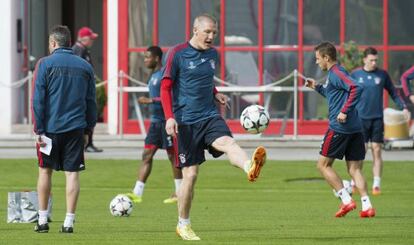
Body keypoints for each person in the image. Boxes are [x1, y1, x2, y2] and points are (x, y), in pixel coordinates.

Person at [160, 14, 267, 241]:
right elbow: (165, 87)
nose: (211, 36)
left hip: (209, 116)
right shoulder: (177, 53)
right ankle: (183, 224)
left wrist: (216, 94)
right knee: (191, 174)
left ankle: (250, 167)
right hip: (185, 123)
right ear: (195, 30)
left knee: (229, 143)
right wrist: (170, 118)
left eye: (214, 33)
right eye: (207, 32)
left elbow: (206, 80)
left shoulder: (213, 54)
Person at [32, 25, 97, 233]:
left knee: (44, 171)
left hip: (49, 129)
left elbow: (38, 100)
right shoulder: (85, 66)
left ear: (53, 43)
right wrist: (88, 130)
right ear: (69, 42)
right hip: (76, 128)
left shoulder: (44, 64)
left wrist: (38, 129)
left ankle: (42, 221)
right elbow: (91, 102)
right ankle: (68, 222)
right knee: (72, 175)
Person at [305, 42, 375, 218]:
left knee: (323, 165)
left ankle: (346, 199)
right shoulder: (337, 73)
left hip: (340, 128)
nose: (317, 62)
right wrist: (316, 87)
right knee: (354, 170)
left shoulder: (336, 73)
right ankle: (367, 206)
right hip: (355, 128)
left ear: (326, 58)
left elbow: (356, 88)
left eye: (318, 59)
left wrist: (344, 111)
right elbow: (333, 94)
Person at [126, 46, 182, 204]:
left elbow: (171, 97)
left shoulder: (164, 74)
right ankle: (137, 193)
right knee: (146, 155)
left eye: (147, 57)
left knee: (172, 156)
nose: (145, 60)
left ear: (157, 58)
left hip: (167, 121)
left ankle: (179, 193)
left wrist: (151, 100)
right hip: (156, 122)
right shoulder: (153, 76)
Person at [351, 47, 409, 195]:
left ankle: (376, 184)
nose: (374, 62)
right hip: (360, 119)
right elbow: (347, 94)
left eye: (376, 60)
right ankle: (354, 182)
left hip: (377, 118)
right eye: (371, 60)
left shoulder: (382, 75)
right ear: (364, 60)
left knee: (376, 150)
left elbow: (393, 93)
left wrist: (403, 107)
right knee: (361, 151)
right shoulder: (356, 74)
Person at [72, 26, 103, 153]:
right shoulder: (78, 50)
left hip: (86, 89)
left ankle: (89, 142)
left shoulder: (84, 50)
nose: (92, 41)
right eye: (91, 38)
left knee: (90, 114)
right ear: (85, 39)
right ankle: (84, 143)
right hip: (81, 91)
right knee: (85, 115)